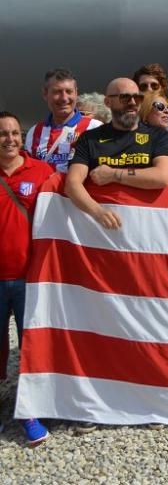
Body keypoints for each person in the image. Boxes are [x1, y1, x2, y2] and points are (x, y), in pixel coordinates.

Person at [0, 111, 56, 446]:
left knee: (30, 345)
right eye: (2, 133)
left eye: (14, 133)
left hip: (28, 277)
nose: (9, 139)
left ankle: (30, 411)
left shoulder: (41, 171)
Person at [65, 78, 168, 231]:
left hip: (145, 227)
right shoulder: (89, 138)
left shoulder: (158, 135)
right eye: (125, 97)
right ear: (108, 102)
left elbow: (162, 177)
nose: (132, 102)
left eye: (137, 97)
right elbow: (72, 184)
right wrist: (98, 213)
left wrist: (114, 174)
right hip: (100, 230)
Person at [24, 69, 102, 173]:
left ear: (76, 93)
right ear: (45, 94)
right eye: (57, 92)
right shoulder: (34, 132)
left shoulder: (95, 128)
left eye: (69, 91)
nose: (64, 98)